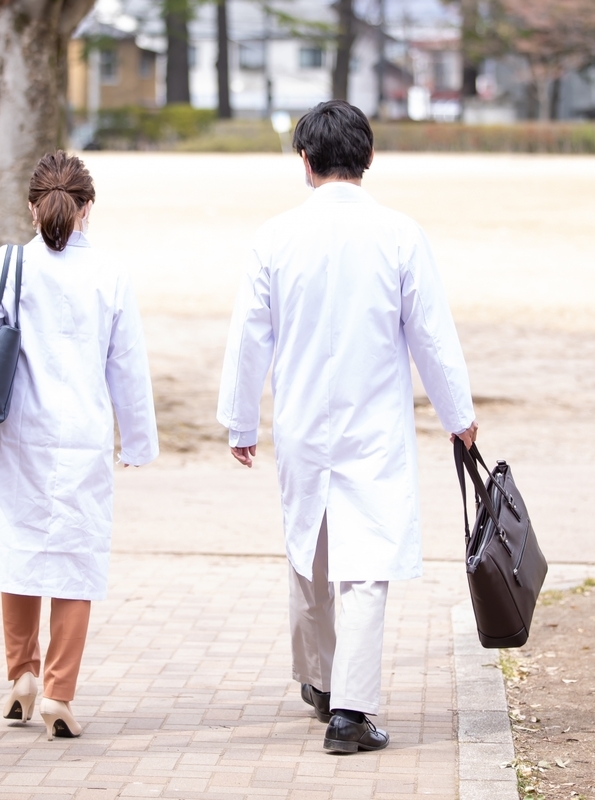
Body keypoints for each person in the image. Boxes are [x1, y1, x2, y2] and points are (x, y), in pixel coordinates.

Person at [216, 100, 478, 754]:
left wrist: (241, 420)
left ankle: (320, 682)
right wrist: (459, 417)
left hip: (302, 421)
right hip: (373, 424)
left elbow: (249, 338)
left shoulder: (275, 236)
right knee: (365, 567)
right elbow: (431, 336)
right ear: (368, 158)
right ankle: (350, 715)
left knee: (309, 552)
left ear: (304, 162)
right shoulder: (398, 233)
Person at [0, 151, 158, 740]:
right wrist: (137, 441)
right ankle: (59, 694)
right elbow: (128, 367)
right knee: (76, 558)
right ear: (88, 208)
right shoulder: (109, 274)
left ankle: (22, 675)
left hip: (18, 430)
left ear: (31, 206)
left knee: (18, 548)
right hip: (83, 437)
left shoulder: (7, 264)